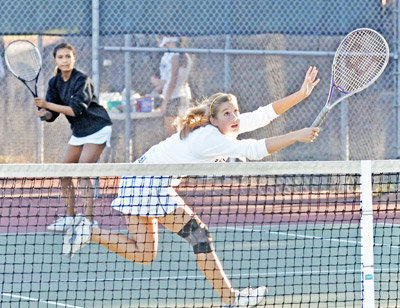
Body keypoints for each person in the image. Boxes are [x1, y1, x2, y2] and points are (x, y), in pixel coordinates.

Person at [62, 66, 320, 307]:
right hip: (148, 183)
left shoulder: (223, 127)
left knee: (144, 254)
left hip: (138, 179)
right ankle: (232, 298)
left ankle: (91, 231)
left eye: (236, 111)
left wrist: (301, 94)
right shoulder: (209, 138)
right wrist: (296, 135)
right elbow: (254, 150)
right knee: (199, 235)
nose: (234, 117)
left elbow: (263, 115)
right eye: (227, 113)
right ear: (213, 119)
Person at [34, 43, 113, 232]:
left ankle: (89, 221)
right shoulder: (54, 82)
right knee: (64, 173)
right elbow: (52, 114)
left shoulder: (82, 80)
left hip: (97, 127)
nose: (64, 60)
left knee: (83, 173)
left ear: (74, 58)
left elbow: (74, 110)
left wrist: (47, 105)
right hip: (79, 131)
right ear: (55, 60)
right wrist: (44, 113)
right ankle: (70, 217)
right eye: (60, 57)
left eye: (68, 56)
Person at [155, 36, 192, 136]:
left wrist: (165, 103)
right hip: (181, 96)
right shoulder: (181, 55)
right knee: (179, 132)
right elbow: (168, 80)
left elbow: (173, 81)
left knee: (172, 133)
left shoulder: (175, 56)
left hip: (175, 98)